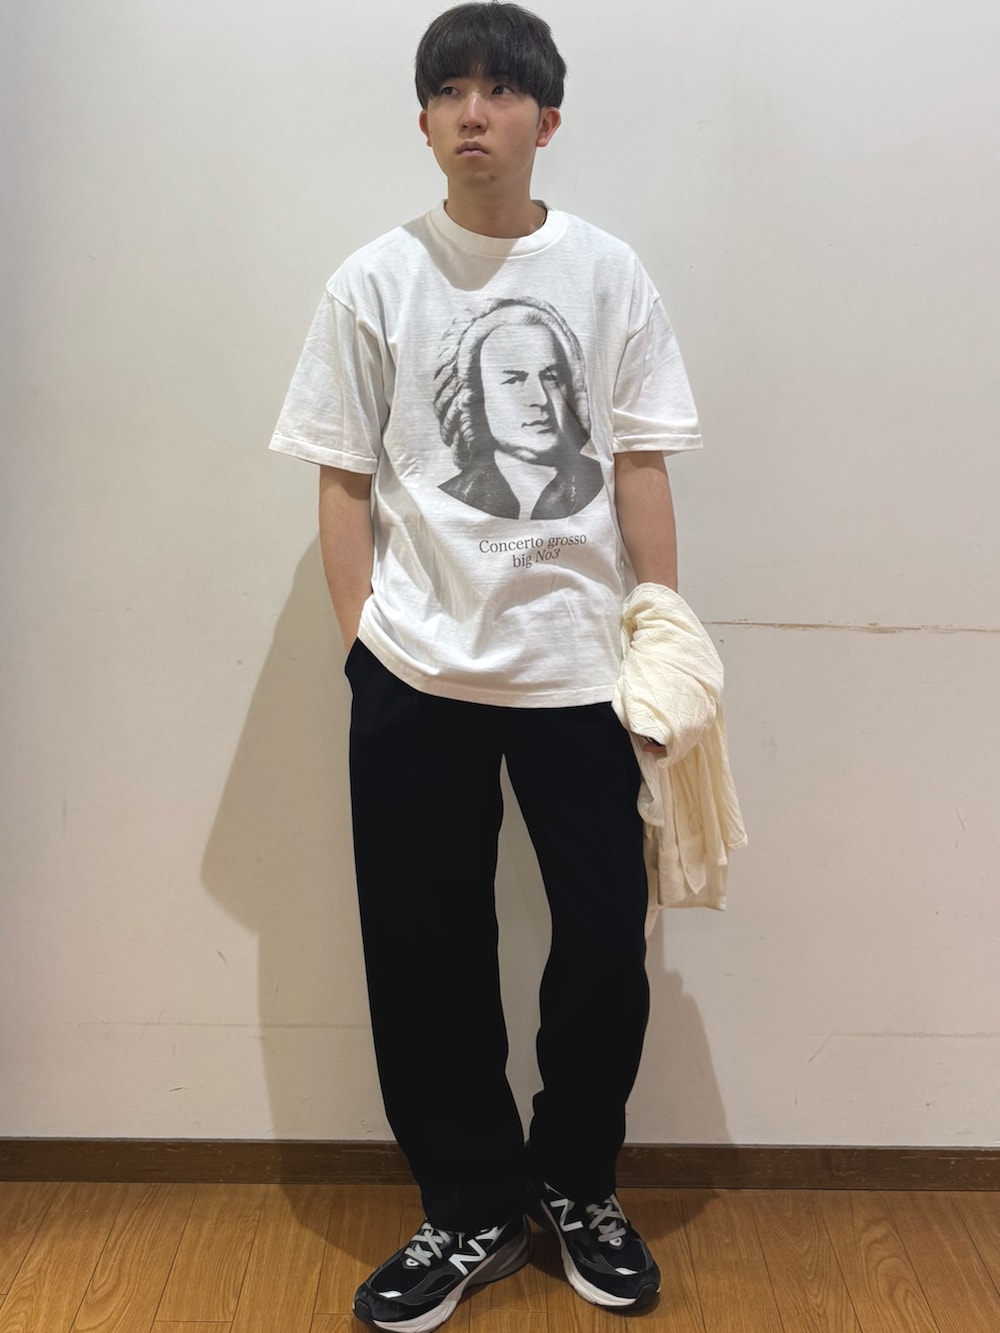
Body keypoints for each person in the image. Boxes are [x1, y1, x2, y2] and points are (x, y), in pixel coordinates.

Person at [270, 5, 702, 1329]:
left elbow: (639, 462)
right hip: (415, 672)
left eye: (502, 91)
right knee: (424, 952)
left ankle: (575, 1184)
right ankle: (467, 1204)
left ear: (545, 119)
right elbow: (344, 479)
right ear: (422, 120)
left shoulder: (607, 272)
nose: (474, 112)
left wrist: (660, 632)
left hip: (581, 675)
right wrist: (365, 648)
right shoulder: (375, 281)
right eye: (449, 90)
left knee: (605, 946)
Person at [435, 295, 602, 518]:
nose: (540, 399)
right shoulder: (454, 495)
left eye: (551, 377)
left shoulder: (598, 482)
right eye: (514, 379)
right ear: (474, 395)